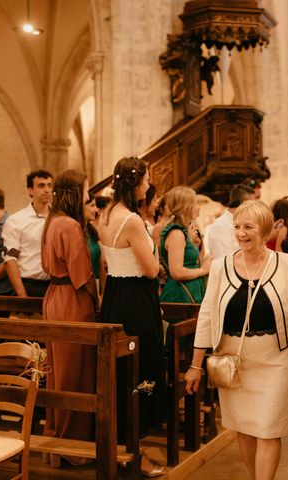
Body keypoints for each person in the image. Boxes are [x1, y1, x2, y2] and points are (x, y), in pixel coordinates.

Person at [185, 200, 288, 480]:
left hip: (277, 362)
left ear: (266, 230)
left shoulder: (286, 264)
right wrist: (195, 366)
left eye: (248, 227)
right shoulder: (221, 266)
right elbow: (207, 317)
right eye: (237, 227)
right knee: (244, 430)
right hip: (234, 364)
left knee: (268, 430)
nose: (241, 233)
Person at [97, 156, 166, 477]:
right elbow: (151, 270)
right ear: (135, 183)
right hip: (137, 299)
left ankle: (123, 441)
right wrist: (155, 248)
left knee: (120, 373)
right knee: (143, 371)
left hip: (114, 295)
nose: (149, 185)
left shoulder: (106, 213)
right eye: (147, 179)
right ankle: (135, 449)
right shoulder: (133, 221)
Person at [41, 170, 98, 466]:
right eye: (86, 189)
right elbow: (82, 276)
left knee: (57, 370)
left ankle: (55, 434)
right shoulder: (71, 225)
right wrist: (97, 299)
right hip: (72, 301)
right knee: (75, 372)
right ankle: (72, 446)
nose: (88, 195)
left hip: (53, 296)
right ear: (75, 192)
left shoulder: (52, 221)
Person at [2, 170, 53, 297]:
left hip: (55, 285)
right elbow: (10, 259)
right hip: (29, 285)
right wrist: (22, 295)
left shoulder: (58, 217)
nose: (47, 190)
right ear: (30, 190)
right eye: (41, 186)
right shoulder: (17, 220)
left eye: (49, 185)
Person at [159, 186, 210, 304]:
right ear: (186, 207)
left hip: (188, 292)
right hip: (180, 295)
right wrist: (203, 270)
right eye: (195, 203)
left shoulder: (182, 232)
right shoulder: (176, 233)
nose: (198, 207)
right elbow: (177, 272)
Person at [206, 184, 254, 258]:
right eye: (252, 205)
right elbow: (224, 260)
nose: (254, 209)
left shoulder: (248, 223)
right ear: (243, 204)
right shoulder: (220, 226)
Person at [84, 193, 106, 291]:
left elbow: (101, 264)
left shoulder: (91, 230)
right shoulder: (76, 231)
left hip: (97, 284)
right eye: (92, 205)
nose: (96, 210)